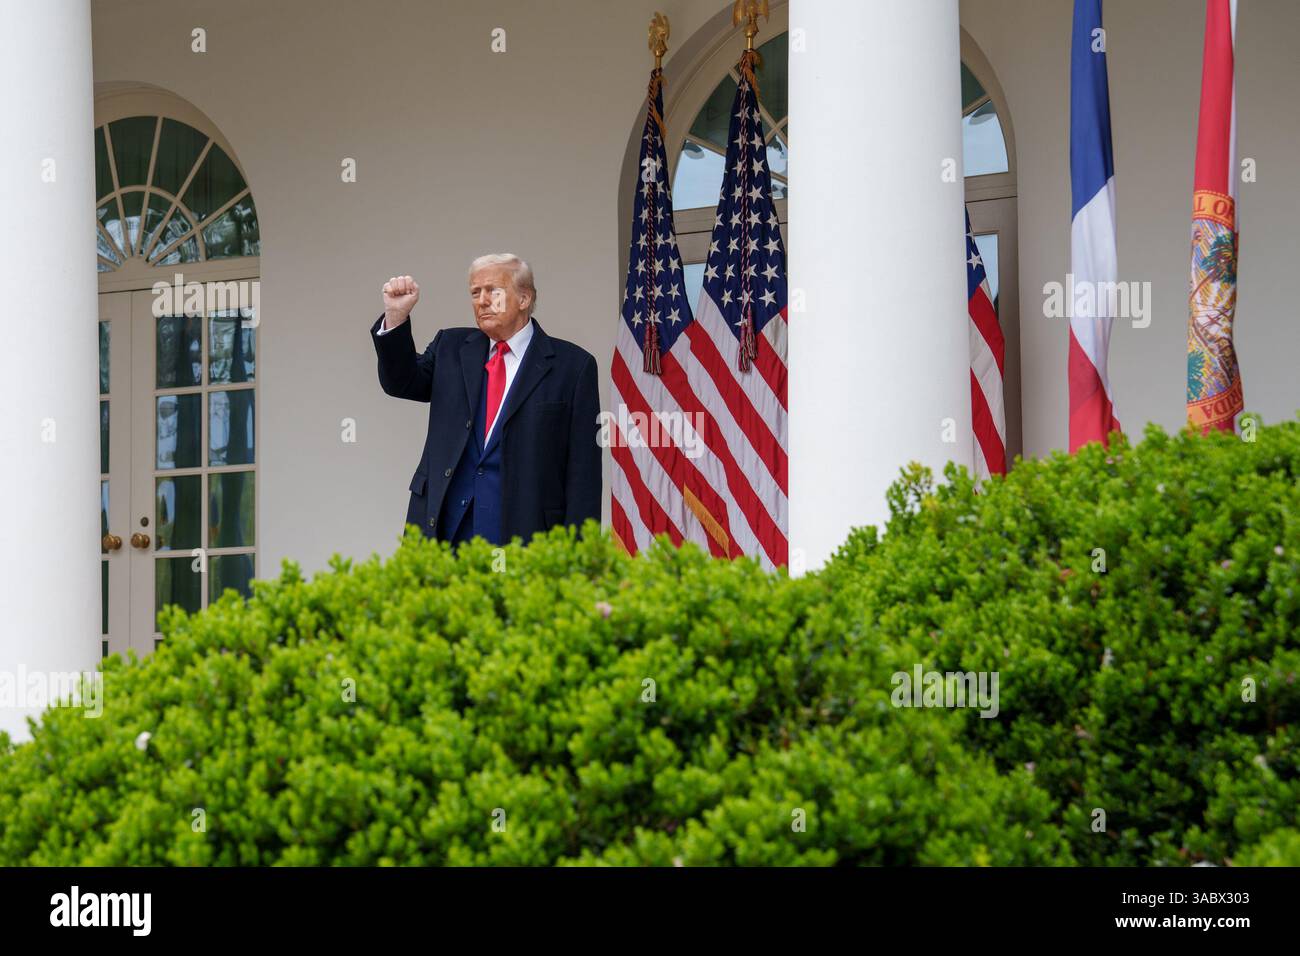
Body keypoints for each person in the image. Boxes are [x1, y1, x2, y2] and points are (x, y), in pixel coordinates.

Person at [371, 254, 601, 546]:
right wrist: (396, 317)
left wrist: (580, 557)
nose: (481, 301)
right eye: (475, 292)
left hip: (526, 537)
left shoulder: (573, 366)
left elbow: (584, 474)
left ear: (524, 298)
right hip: (443, 533)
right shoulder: (451, 348)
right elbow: (400, 382)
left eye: (494, 291)